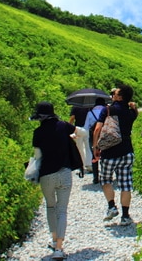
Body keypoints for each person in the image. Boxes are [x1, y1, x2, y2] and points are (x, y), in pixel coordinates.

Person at [30, 101, 86, 260]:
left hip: (46, 175)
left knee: (50, 206)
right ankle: (59, 248)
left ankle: (54, 239)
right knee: (62, 210)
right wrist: (75, 137)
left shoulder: (38, 133)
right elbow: (83, 133)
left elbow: (38, 157)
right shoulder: (63, 126)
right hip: (64, 173)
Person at [92, 84, 138, 226]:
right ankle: (125, 216)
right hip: (127, 151)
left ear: (119, 96)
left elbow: (98, 128)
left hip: (109, 152)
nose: (113, 95)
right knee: (125, 184)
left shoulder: (107, 110)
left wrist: (95, 147)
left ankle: (111, 207)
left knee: (106, 180)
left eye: (115, 93)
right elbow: (135, 113)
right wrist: (134, 107)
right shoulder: (131, 113)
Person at [85, 97, 107, 184]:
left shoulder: (90, 113)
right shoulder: (107, 112)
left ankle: (95, 178)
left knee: (94, 155)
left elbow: (86, 126)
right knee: (105, 154)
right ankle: (105, 175)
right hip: (104, 135)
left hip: (93, 136)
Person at [69, 105, 91, 174]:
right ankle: (89, 165)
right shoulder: (89, 106)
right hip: (87, 129)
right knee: (88, 147)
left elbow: (72, 118)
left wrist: (69, 127)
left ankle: (83, 165)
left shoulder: (75, 106)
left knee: (80, 148)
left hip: (78, 129)